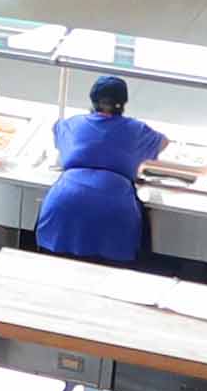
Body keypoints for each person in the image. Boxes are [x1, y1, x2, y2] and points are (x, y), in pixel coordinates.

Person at [32, 73, 166, 265]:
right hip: (115, 213)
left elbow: (56, 129)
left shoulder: (72, 124)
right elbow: (163, 143)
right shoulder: (136, 130)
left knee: (56, 275)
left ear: (92, 100)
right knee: (107, 279)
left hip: (63, 207)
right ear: (123, 103)